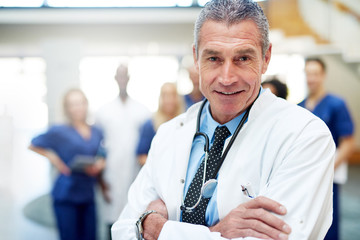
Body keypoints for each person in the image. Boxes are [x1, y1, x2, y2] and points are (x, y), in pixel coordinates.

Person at [112, 1, 335, 239]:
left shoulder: (305, 136)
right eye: (214, 58)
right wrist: (217, 233)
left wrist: (158, 228)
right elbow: (125, 229)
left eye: (242, 58)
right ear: (196, 58)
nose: (227, 78)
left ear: (266, 57)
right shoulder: (169, 134)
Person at [29, 89, 105, 240]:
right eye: (73, 104)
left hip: (88, 193)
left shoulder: (96, 131)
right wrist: (55, 159)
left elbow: (102, 153)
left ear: (86, 104)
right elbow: (33, 144)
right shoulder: (59, 131)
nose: (77, 108)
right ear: (67, 108)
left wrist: (100, 164)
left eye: (80, 103)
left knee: (91, 236)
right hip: (66, 194)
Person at [299, 57, 355, 240]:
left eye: (315, 74)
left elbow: (348, 142)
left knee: (327, 221)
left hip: (328, 174)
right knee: (304, 220)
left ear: (323, 75)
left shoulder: (336, 104)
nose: (311, 78)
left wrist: (327, 170)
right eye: (308, 74)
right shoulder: (300, 107)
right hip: (305, 174)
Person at [95, 64, 150, 240]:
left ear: (129, 78)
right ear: (115, 79)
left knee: (134, 221)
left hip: (135, 174)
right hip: (110, 174)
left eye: (125, 75)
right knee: (111, 221)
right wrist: (101, 180)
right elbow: (98, 149)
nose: (122, 79)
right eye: (119, 76)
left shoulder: (143, 111)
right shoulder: (103, 112)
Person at [136, 82, 185, 166]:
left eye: (172, 95)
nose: (169, 99)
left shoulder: (185, 122)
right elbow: (141, 156)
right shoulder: (150, 125)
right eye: (165, 95)